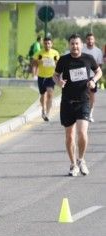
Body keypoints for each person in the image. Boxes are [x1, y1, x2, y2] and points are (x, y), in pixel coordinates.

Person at [53, 34, 102, 176]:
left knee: (82, 133)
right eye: (72, 44)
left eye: (77, 44)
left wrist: (93, 80)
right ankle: (73, 164)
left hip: (83, 101)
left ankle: (81, 160)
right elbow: (55, 75)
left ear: (81, 45)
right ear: (69, 45)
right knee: (69, 136)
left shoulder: (88, 58)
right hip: (67, 102)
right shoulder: (64, 60)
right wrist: (59, 82)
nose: (75, 46)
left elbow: (98, 71)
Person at [32, 36, 60, 121]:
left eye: (49, 43)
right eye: (45, 43)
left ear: (51, 44)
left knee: (50, 93)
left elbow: (59, 64)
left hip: (51, 76)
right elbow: (34, 63)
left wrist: (58, 71)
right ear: (43, 44)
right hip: (41, 76)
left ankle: (48, 113)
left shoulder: (55, 53)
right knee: (43, 95)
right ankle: (43, 109)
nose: (47, 45)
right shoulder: (39, 53)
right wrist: (34, 73)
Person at [81, 32, 103, 122]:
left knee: (92, 95)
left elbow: (100, 65)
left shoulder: (98, 51)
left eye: (91, 39)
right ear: (86, 40)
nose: (90, 41)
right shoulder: (82, 50)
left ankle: (90, 114)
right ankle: (83, 113)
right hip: (82, 76)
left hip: (93, 77)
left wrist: (97, 77)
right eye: (88, 39)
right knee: (83, 95)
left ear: (94, 40)